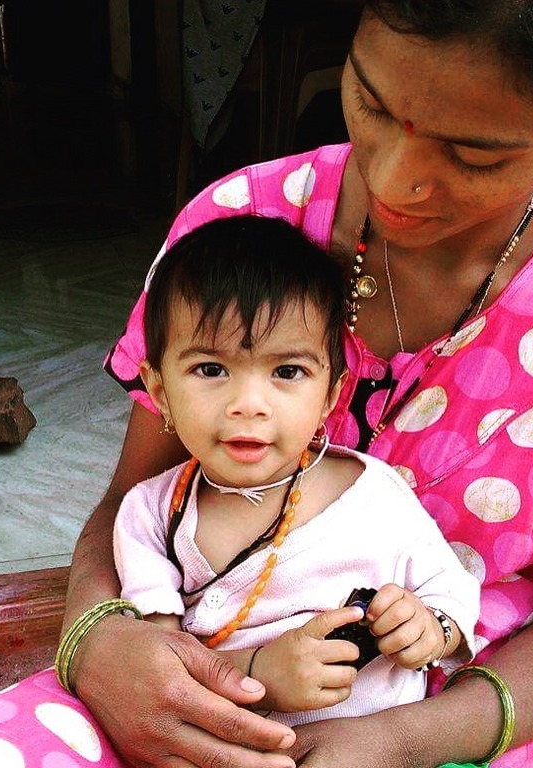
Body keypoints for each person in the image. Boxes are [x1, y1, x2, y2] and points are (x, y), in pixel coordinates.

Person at [0, 1, 533, 767]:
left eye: (473, 155)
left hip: (461, 700)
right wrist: (101, 643)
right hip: (202, 665)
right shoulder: (237, 227)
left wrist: (400, 740)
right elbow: (131, 502)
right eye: (371, 102)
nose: (394, 180)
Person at [111, 214, 479, 727]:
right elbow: (163, 667)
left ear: (331, 394)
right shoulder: (150, 516)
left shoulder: (374, 496)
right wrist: (257, 672)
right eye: (211, 369)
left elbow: (451, 590)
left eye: (287, 372)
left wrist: (430, 629)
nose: (249, 404)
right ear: (158, 391)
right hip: (228, 748)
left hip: (379, 747)